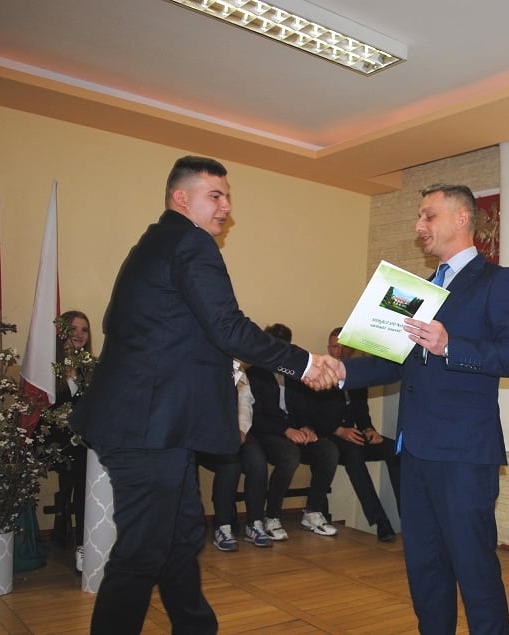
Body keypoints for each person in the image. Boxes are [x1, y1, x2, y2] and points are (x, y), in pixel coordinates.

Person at [70, 155, 340, 635]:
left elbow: (141, 328)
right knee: (143, 552)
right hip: (149, 427)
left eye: (227, 196)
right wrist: (304, 364)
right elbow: (227, 327)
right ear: (181, 198)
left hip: (153, 424)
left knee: (180, 538)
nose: (226, 207)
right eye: (215, 196)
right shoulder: (191, 243)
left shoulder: (153, 244)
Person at [338, 184, 509, 634]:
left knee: (475, 571)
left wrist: (451, 346)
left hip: (464, 455)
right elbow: (393, 361)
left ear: (461, 219)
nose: (418, 226)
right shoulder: (420, 289)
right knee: (425, 571)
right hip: (414, 451)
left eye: (428, 216)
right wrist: (338, 371)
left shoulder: (499, 281)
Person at [290, 327, 400, 542]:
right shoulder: (320, 374)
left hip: (354, 433)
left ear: (351, 349)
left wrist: (369, 429)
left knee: (393, 449)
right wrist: (338, 430)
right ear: (328, 348)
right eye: (334, 347)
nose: (338, 351)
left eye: (342, 347)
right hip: (328, 435)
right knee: (353, 454)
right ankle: (381, 522)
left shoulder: (358, 373)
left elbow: (362, 411)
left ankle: (408, 513)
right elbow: (310, 415)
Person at [246, 323, 339, 540]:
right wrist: (285, 430)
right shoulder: (254, 373)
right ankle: (271, 516)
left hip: (294, 432)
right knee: (289, 455)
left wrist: (308, 428)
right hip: (267, 434)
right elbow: (256, 417)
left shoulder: (294, 372)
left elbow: (305, 407)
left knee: (328, 450)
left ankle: (313, 512)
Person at [198, 361, 275, 552]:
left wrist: (240, 429)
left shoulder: (235, 367)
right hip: (205, 436)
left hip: (237, 432)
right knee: (230, 464)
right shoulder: (201, 365)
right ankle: (222, 527)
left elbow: (245, 401)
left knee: (257, 462)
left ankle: (254, 523)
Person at [45, 309, 93, 572]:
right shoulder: (48, 366)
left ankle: (90, 540)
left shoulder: (91, 367)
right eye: (73, 328)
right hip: (54, 438)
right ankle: (83, 546)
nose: (79, 334)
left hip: (82, 439)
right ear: (62, 332)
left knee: (91, 460)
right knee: (84, 466)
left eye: (84, 330)